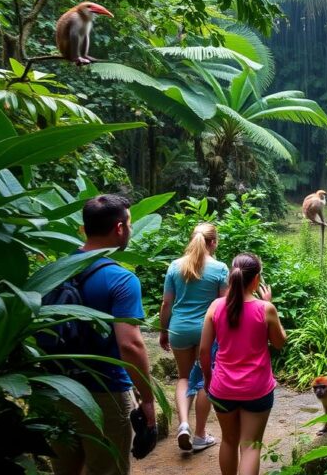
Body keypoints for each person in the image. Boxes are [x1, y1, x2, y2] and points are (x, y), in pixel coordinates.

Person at [51, 194, 156, 475]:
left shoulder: (54, 272)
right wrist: (147, 399)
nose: (130, 229)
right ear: (119, 228)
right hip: (105, 391)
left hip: (57, 387)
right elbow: (130, 345)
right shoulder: (121, 279)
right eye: (129, 224)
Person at [200, 254, 287, 475]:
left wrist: (208, 379)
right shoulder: (265, 309)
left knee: (228, 441)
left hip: (222, 387)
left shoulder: (216, 306)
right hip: (257, 388)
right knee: (250, 446)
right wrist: (269, 303)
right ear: (256, 279)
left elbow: (204, 350)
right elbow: (279, 343)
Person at [159, 222, 227, 452]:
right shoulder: (220, 268)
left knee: (184, 377)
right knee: (205, 379)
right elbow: (223, 305)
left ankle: (183, 425)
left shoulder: (175, 266)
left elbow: (166, 303)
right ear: (213, 242)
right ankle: (200, 435)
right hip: (206, 330)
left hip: (178, 329)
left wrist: (163, 331)